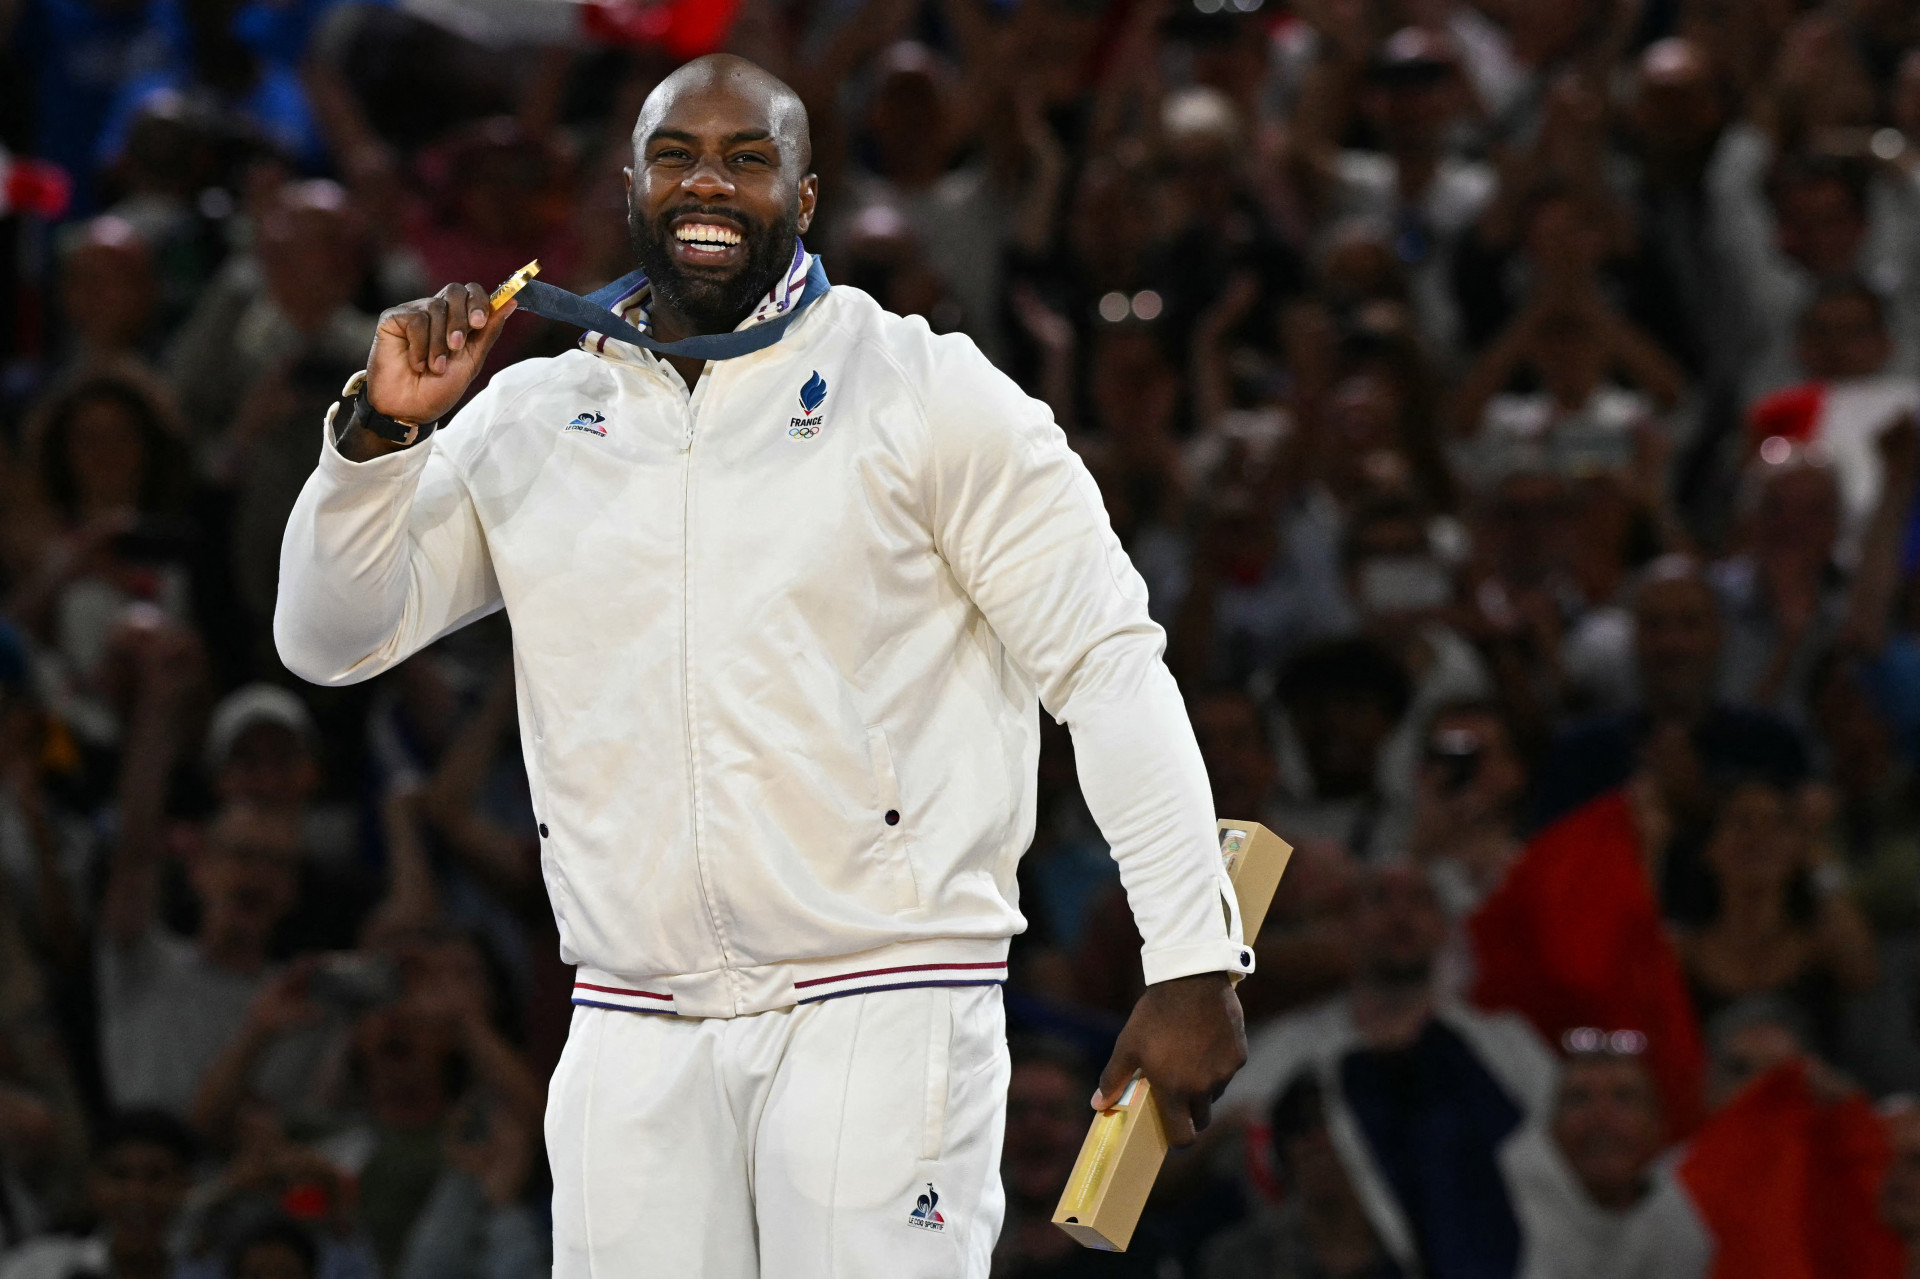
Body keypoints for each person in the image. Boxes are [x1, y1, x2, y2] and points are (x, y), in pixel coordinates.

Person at [274, 55, 1252, 1277]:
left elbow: (1106, 663)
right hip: (631, 1016)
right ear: (629, 182)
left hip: (882, 993)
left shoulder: (925, 390)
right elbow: (327, 638)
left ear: (805, 193)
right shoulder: (535, 415)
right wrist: (381, 436)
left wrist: (1192, 956)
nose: (709, 184)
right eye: (679, 154)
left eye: (749, 159)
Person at [1223, 862, 1558, 1278]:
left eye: (1420, 900)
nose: (1400, 916)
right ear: (1347, 924)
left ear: (1443, 926)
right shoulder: (1289, 1051)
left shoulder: (1505, 1042)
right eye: (1380, 899)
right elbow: (1224, 1137)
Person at [1500, 1042, 1710, 1279]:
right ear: (1551, 1128)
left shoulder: (1679, 1217)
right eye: (1580, 1099)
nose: (1601, 1117)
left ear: (1658, 1127)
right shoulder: (1506, 1211)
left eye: (1624, 1098)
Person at [0, 1110, 197, 1279]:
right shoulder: (41, 1267)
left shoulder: (210, 1267)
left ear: (185, 1187)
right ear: (93, 1183)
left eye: (156, 1176)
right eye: (119, 1175)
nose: (137, 1193)